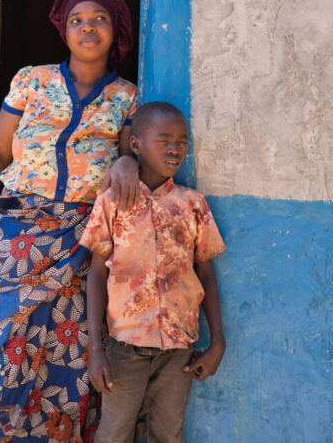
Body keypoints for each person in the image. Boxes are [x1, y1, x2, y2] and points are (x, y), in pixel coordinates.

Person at [0, 0, 140, 443]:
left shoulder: (127, 98)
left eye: (99, 20)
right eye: (76, 20)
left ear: (116, 33)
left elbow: (127, 154)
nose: (87, 27)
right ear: (64, 31)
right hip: (17, 236)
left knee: (65, 358)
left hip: (81, 241)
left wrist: (127, 158)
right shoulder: (31, 81)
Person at [82, 101, 226, 443]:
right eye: (163, 140)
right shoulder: (112, 201)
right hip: (124, 345)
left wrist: (217, 340)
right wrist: (95, 346)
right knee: (114, 434)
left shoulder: (192, 204)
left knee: (167, 434)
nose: (174, 148)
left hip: (177, 349)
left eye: (181, 141)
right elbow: (97, 273)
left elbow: (205, 271)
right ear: (136, 145)